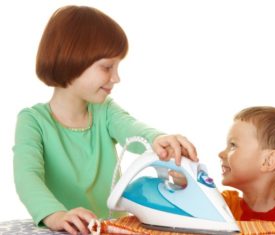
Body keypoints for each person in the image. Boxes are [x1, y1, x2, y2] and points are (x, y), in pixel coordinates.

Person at [13, 5, 198, 235]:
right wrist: (56, 216)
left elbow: (133, 129)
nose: (116, 77)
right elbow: (27, 176)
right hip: (64, 230)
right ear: (74, 59)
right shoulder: (33, 121)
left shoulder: (105, 111)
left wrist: (159, 140)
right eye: (107, 67)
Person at [171, 106, 275, 224]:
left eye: (233, 145)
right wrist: (185, 179)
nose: (221, 153)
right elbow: (197, 205)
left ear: (268, 161)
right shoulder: (225, 206)